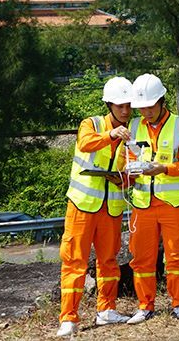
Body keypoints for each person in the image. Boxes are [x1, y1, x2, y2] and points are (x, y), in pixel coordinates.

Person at [56, 77, 135, 336]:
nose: (125, 111)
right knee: (74, 261)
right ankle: (69, 317)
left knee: (109, 261)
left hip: (111, 207)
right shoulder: (91, 124)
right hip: (82, 205)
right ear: (109, 105)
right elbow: (85, 143)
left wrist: (122, 178)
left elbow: (133, 171)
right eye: (120, 106)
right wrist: (111, 134)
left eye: (128, 106)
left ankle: (106, 310)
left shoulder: (132, 132)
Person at [126, 73, 179, 324]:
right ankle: (145, 306)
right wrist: (129, 172)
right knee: (141, 257)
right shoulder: (134, 127)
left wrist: (165, 169)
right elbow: (130, 159)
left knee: (175, 256)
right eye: (141, 107)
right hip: (143, 203)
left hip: (173, 204)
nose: (146, 111)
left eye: (150, 106)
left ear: (162, 101)